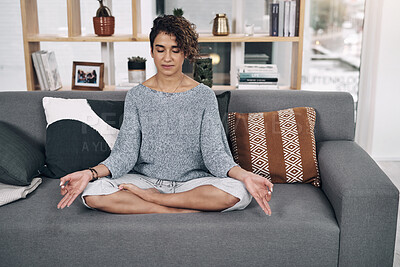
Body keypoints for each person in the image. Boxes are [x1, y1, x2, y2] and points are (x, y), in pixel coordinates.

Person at [57, 15, 273, 215]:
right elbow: (125, 154)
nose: (167, 58)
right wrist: (89, 173)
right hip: (145, 181)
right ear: (151, 51)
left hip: (193, 183)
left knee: (239, 192)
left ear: (185, 53)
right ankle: (172, 209)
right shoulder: (137, 96)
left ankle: (156, 201)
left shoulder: (204, 96)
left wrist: (246, 176)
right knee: (92, 193)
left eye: (175, 50)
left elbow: (215, 154)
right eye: (160, 50)